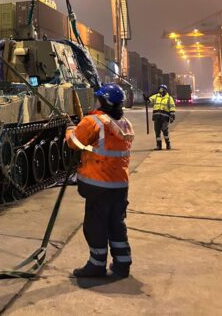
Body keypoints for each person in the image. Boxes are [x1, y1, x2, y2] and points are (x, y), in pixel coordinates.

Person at [65, 83, 135, 278]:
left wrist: (70, 128)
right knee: (116, 224)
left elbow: (74, 143)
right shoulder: (125, 124)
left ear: (104, 101)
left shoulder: (93, 121)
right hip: (120, 185)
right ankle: (123, 264)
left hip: (98, 184)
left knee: (95, 226)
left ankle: (96, 265)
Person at [145, 84, 175, 150]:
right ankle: (159, 145)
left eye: (162, 89)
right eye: (160, 89)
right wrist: (146, 99)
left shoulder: (169, 98)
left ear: (165, 90)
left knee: (165, 131)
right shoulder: (156, 96)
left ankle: (168, 144)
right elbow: (149, 100)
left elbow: (172, 107)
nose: (161, 90)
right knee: (157, 131)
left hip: (165, 118)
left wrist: (172, 116)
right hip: (156, 117)